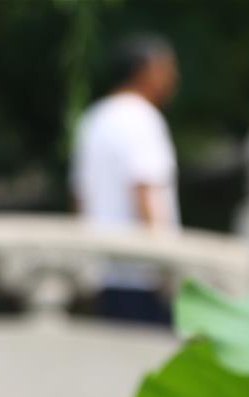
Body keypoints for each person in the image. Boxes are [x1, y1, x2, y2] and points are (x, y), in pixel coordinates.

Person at [70, 33, 180, 324]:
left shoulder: (93, 119)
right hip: (143, 274)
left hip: (103, 271)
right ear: (145, 70)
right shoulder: (143, 117)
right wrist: (164, 266)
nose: (173, 77)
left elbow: (81, 197)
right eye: (167, 68)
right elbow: (144, 190)